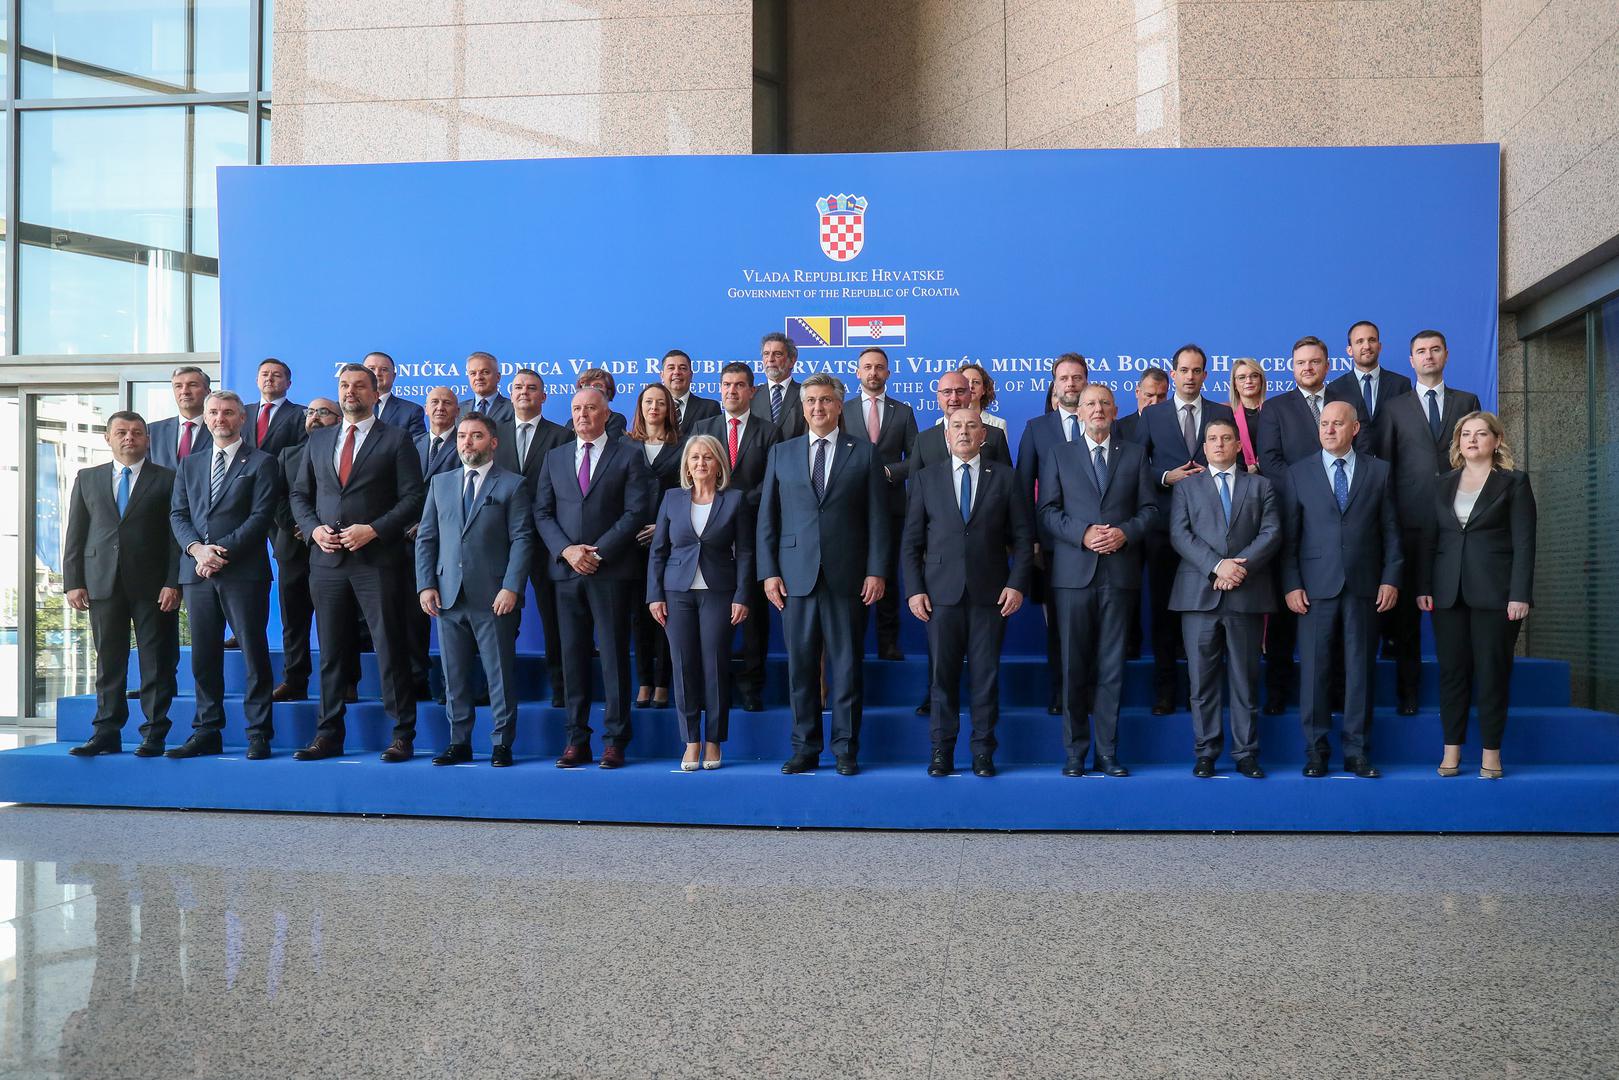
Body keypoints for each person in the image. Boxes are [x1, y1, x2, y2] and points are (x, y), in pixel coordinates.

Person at [289, 364, 426, 762]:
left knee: (389, 648)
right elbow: (300, 495)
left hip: (377, 561)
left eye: (360, 386)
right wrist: (313, 529)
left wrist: (375, 529)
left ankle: (402, 735)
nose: (351, 392)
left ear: (374, 391)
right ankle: (328, 735)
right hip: (326, 561)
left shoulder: (397, 439)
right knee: (332, 652)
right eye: (345, 386)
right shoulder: (319, 440)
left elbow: (413, 498)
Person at [759, 373, 888, 775]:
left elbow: (879, 521)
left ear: (838, 406)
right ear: (802, 406)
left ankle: (846, 748)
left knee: (847, 667)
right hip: (795, 577)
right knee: (800, 669)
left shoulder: (864, 453)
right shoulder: (782, 453)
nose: (818, 407)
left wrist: (876, 571)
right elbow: (768, 519)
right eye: (811, 400)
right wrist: (769, 572)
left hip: (848, 577)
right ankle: (805, 748)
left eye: (826, 401)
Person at [902, 408, 1033, 777]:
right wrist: (914, 590)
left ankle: (982, 752)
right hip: (939, 596)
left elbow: (1024, 540)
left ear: (983, 436)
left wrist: (1017, 583)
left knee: (985, 677)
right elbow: (911, 542)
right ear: (946, 436)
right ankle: (941, 752)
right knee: (941, 680)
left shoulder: (1006, 478)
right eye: (956, 426)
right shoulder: (927, 479)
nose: (963, 432)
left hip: (991, 595)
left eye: (971, 426)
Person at [1038, 384, 1158, 777]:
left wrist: (1125, 532)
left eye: (1105, 403)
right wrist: (1084, 533)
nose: (1098, 409)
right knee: (1074, 667)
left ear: (1115, 409)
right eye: (1091, 403)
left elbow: (1150, 510)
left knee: (1111, 668)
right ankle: (1075, 752)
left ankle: (1107, 752)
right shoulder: (1060, 454)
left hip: (1119, 574)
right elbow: (1048, 511)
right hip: (1073, 575)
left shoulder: (1135, 454)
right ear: (1077, 410)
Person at [534, 387, 657, 769]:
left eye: (590, 408)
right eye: (576, 409)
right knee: (572, 659)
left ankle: (615, 740)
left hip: (612, 572)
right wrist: (568, 552)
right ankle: (576, 740)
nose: (583, 415)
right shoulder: (554, 458)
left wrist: (597, 553)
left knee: (615, 659)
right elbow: (542, 512)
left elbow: (636, 512)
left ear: (607, 414)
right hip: (567, 574)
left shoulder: (629, 455)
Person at [1280, 401, 1401, 779]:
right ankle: (1316, 752)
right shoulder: (1299, 473)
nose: (1330, 430)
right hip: (1314, 589)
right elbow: (1289, 538)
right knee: (1314, 672)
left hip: (1366, 586)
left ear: (1355, 428)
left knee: (1360, 671)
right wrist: (1292, 584)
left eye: (1337, 424)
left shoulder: (1379, 471)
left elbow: (1392, 533)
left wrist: (1391, 577)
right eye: (1325, 424)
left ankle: (1357, 752)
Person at [1417, 412, 1535, 780]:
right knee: (1452, 674)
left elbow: (1525, 544)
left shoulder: (1514, 484)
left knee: (1492, 673)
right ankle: (1451, 752)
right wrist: (1423, 587)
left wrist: (1520, 594)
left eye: (1481, 433)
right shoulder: (1441, 484)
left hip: (1496, 595)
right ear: (1458, 442)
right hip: (1447, 594)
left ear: (1496, 441)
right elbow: (1428, 542)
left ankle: (1491, 754)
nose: (1472, 439)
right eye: (1465, 434)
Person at [416, 413, 534, 767]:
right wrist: (426, 585)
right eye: (462, 436)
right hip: (448, 596)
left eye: (476, 436)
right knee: (453, 676)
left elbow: (522, 540)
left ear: (493, 442)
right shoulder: (441, 483)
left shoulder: (512, 484)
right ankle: (459, 742)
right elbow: (426, 538)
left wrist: (511, 587)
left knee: (498, 675)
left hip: (494, 597)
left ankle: (501, 743)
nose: (467, 442)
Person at [167, 391, 280, 759]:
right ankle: (207, 730)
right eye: (213, 412)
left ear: (241, 419)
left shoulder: (263, 463)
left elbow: (260, 517)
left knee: (253, 654)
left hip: (243, 572)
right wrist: (198, 550)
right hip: (196, 572)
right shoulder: (190, 463)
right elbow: (178, 515)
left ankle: (258, 732)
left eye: (228, 412)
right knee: (204, 657)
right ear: (205, 415)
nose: (220, 419)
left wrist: (218, 553)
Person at [62, 412, 181, 756]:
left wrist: (174, 582)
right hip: (101, 583)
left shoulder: (168, 479)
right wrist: (74, 581)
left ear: (147, 440)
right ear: (108, 438)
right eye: (121, 432)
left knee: (155, 662)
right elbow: (76, 533)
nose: (129, 438)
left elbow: (176, 537)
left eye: (136, 433)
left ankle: (154, 733)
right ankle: (106, 732)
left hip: (154, 587)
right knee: (108, 661)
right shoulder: (87, 478)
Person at [1168, 417, 1281, 779]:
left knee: (1245, 680)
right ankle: (1206, 752)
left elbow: (1271, 532)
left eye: (1226, 438)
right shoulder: (1186, 488)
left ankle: (1246, 753)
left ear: (1237, 445)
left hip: (1246, 593)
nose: (1218, 444)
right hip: (1199, 595)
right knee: (1201, 682)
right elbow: (1180, 535)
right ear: (1204, 447)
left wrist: (1237, 569)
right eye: (1212, 439)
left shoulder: (1260, 485)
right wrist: (1218, 566)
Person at [1378, 329, 1482, 716]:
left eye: (1435, 350)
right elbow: (1386, 468)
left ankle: (1461, 693)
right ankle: (1408, 694)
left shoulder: (1467, 401)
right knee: (1406, 617)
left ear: (1446, 355)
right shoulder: (1394, 407)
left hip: (1460, 522)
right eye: (1420, 351)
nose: (1428, 356)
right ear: (1410, 361)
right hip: (1410, 524)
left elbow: (1478, 454)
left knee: (1458, 610)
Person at [1132, 344, 1235, 714]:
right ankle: (1165, 690)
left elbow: (1235, 466)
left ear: (1206, 375)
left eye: (1197, 371)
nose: (1190, 377)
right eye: (1184, 370)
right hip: (1162, 529)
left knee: (1206, 614)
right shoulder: (1153, 415)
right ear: (1172, 374)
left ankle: (1201, 691)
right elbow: (1133, 466)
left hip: (1211, 532)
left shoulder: (1223, 413)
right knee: (1163, 613)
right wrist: (1165, 476)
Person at [647, 434, 753, 771]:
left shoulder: (735, 500)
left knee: (715, 666)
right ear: (686, 466)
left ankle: (713, 741)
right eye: (694, 458)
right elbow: (658, 551)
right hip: (676, 591)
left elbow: (747, 554)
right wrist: (654, 595)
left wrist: (742, 595)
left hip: (720, 591)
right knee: (682, 665)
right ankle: (691, 740)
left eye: (707, 457)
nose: (700, 463)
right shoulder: (671, 499)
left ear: (719, 463)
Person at [688, 361, 782, 711]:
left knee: (753, 612)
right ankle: (715, 685)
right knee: (712, 615)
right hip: (706, 535)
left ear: (752, 391)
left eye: (740, 385)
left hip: (752, 531)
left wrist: (732, 504)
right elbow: (690, 476)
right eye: (727, 384)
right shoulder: (703, 427)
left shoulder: (768, 431)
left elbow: (771, 482)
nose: (732, 391)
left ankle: (752, 686)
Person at [1254, 335, 1336, 715]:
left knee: (1332, 610)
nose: (1308, 367)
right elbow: (1270, 462)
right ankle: (1279, 692)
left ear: (1326, 365)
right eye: (1301, 362)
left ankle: (1333, 693)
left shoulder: (1342, 405)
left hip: (1337, 520)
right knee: (1286, 611)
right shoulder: (1275, 409)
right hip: (1291, 517)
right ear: (1292, 367)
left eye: (1315, 361)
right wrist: (1312, 490)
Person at [494, 369, 569, 706]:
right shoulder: (493, 435)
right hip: (501, 541)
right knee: (499, 619)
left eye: (532, 388)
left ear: (544, 396)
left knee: (554, 619)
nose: (525, 392)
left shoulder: (561, 436)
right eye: (519, 387)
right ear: (510, 394)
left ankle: (561, 686)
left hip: (545, 541)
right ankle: (498, 688)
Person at [842, 347, 918, 661]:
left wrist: (888, 471)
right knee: (854, 573)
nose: (873, 373)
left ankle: (888, 643)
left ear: (888, 373)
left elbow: (916, 459)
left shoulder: (903, 412)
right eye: (867, 367)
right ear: (857, 372)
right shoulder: (841, 410)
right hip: (850, 507)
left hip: (891, 504)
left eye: (879, 367)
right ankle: (853, 642)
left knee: (886, 573)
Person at [269, 397, 341, 702]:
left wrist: (321, 530)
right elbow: (277, 498)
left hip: (335, 547)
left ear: (338, 420)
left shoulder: (344, 455)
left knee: (337, 620)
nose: (314, 417)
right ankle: (295, 679)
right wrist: (304, 528)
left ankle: (344, 681)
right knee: (294, 621)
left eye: (323, 412)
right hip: (294, 546)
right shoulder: (288, 455)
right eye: (310, 412)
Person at [627, 382, 683, 709]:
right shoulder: (624, 445)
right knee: (638, 616)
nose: (654, 408)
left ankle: (663, 681)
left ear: (668, 408)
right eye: (648, 402)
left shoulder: (683, 444)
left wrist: (662, 526)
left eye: (660, 403)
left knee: (666, 614)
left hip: (671, 542)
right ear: (641, 407)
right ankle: (644, 681)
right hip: (632, 544)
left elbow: (687, 491)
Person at [1325, 320, 1410, 449]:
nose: (1367, 346)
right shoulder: (1336, 389)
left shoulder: (1401, 384)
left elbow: (1407, 429)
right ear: (1349, 350)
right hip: (1355, 466)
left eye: (1372, 340)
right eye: (1359, 341)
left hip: (1394, 465)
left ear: (1379, 346)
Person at [147, 365, 213, 470]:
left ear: (208, 392)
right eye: (178, 386)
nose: (185, 391)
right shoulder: (153, 431)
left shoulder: (219, 428)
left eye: (192, 385)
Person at [243, 358, 306, 457]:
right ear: (257, 381)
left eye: (276, 375)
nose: (269, 379)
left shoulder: (301, 413)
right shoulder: (243, 412)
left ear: (288, 384)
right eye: (264, 374)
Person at [752, 332, 806, 439]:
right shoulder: (751, 395)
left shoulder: (806, 394)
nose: (770, 359)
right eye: (766, 354)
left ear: (792, 361)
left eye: (777, 354)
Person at [365, 351, 427, 440]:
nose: (377, 373)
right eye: (371, 369)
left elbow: (417, 448)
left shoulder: (411, 411)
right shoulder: (346, 407)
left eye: (384, 369)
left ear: (393, 376)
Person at [661, 348, 721, 428]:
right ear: (662, 376)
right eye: (671, 368)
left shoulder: (709, 408)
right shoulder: (653, 408)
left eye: (683, 368)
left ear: (691, 375)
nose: (677, 372)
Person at [1227, 357, 1267, 473]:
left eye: (1254, 376)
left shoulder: (1274, 411)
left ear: (1261, 380)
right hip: (1237, 480)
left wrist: (1257, 466)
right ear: (1234, 383)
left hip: (1273, 479)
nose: (1248, 381)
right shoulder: (1226, 413)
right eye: (1242, 377)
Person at [563, 368, 630, 437]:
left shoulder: (616, 420)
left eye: (597, 386)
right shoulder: (571, 423)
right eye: (586, 386)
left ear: (608, 392)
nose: (591, 389)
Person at [416, 387, 463, 481]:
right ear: (426, 409)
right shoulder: (413, 444)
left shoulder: (464, 444)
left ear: (457, 411)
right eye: (435, 402)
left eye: (447, 403)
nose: (440, 407)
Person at [1113, 367, 1169, 445]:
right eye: (1149, 395)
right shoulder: (1119, 428)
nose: (1155, 402)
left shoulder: (1176, 427)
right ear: (1137, 392)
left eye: (1161, 396)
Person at [459, 351, 513, 423]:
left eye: (485, 372)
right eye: (473, 373)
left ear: (498, 377)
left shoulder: (513, 408)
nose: (478, 377)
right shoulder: (459, 410)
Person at [958, 362, 1006, 430]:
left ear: (984, 389)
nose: (971, 386)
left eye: (976, 382)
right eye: (966, 381)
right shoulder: (944, 422)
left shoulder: (998, 424)